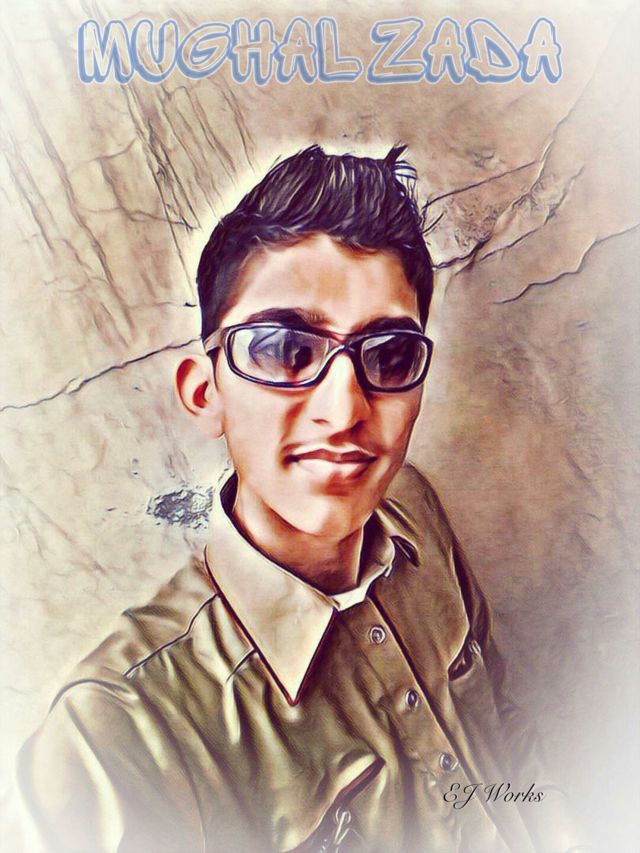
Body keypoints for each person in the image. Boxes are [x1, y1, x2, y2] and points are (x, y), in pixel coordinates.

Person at [11, 146, 579, 852]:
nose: (344, 412)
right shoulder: (116, 738)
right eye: (285, 349)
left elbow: (508, 744)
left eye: (390, 355)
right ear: (205, 391)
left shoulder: (414, 507)